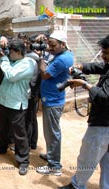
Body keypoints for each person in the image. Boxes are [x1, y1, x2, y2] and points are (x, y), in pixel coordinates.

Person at [56, 34, 109, 189]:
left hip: (103, 124)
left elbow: (105, 98)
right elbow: (102, 67)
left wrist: (85, 84)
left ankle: (77, 187)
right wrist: (83, 67)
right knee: (108, 160)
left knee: (88, 155)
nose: (103, 56)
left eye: (107, 52)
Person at [0, 39, 34, 175]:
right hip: (5, 101)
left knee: (19, 133)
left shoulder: (27, 64)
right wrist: (0, 58)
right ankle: (1, 147)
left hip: (16, 103)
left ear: (19, 52)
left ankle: (23, 160)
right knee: (3, 128)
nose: (9, 54)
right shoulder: (12, 61)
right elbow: (0, 73)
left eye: (11, 52)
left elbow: (12, 75)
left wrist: (3, 60)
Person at [35, 31, 74, 176]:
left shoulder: (61, 60)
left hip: (53, 101)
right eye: (48, 44)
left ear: (62, 44)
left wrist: (41, 59)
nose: (49, 48)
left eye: (52, 45)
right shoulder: (65, 54)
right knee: (50, 132)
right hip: (53, 99)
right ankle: (52, 155)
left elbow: (45, 74)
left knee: (52, 133)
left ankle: (54, 166)